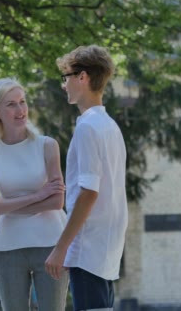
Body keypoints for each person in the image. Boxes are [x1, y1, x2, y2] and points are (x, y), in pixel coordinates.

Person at [0, 78, 69, 311]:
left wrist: (4, 205)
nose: (20, 110)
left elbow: (57, 201)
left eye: (22, 102)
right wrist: (37, 196)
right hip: (8, 248)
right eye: (11, 104)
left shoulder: (47, 146)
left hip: (51, 245)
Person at [45, 45, 128, 311]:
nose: (64, 85)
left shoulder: (88, 127)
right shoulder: (110, 126)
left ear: (82, 77)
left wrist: (61, 248)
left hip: (89, 248)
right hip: (107, 249)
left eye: (66, 77)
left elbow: (88, 193)